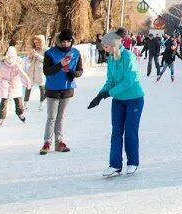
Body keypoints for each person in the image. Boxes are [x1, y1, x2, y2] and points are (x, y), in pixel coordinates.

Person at [88, 31, 145, 176]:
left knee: (130, 132)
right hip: (118, 101)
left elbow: (129, 80)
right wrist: (100, 95)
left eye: (106, 47)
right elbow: (111, 81)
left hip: (134, 99)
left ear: (113, 45)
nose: (104, 49)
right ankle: (115, 165)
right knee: (116, 132)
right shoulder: (111, 59)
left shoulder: (128, 57)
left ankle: (132, 162)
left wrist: (109, 93)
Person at [41, 28, 84, 155]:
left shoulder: (76, 53)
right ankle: (47, 142)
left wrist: (73, 73)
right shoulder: (50, 53)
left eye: (68, 41)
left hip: (67, 89)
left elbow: (80, 70)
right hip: (53, 89)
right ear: (59, 41)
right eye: (63, 41)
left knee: (60, 117)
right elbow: (47, 71)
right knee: (51, 117)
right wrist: (60, 64)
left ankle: (59, 142)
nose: (66, 44)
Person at [0, 44, 32, 126]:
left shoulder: (15, 65)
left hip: (13, 85)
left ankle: (17, 114)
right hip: (6, 85)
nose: (10, 59)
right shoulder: (4, 64)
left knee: (16, 100)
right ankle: (2, 118)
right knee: (5, 101)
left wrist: (28, 82)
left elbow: (23, 74)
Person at [23, 35, 47, 111]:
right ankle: (25, 102)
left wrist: (37, 55)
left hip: (40, 70)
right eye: (35, 42)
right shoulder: (34, 49)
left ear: (41, 42)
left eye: (37, 42)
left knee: (41, 86)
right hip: (32, 70)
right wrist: (30, 57)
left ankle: (42, 102)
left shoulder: (46, 50)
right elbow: (28, 61)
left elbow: (46, 60)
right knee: (28, 86)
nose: (36, 44)